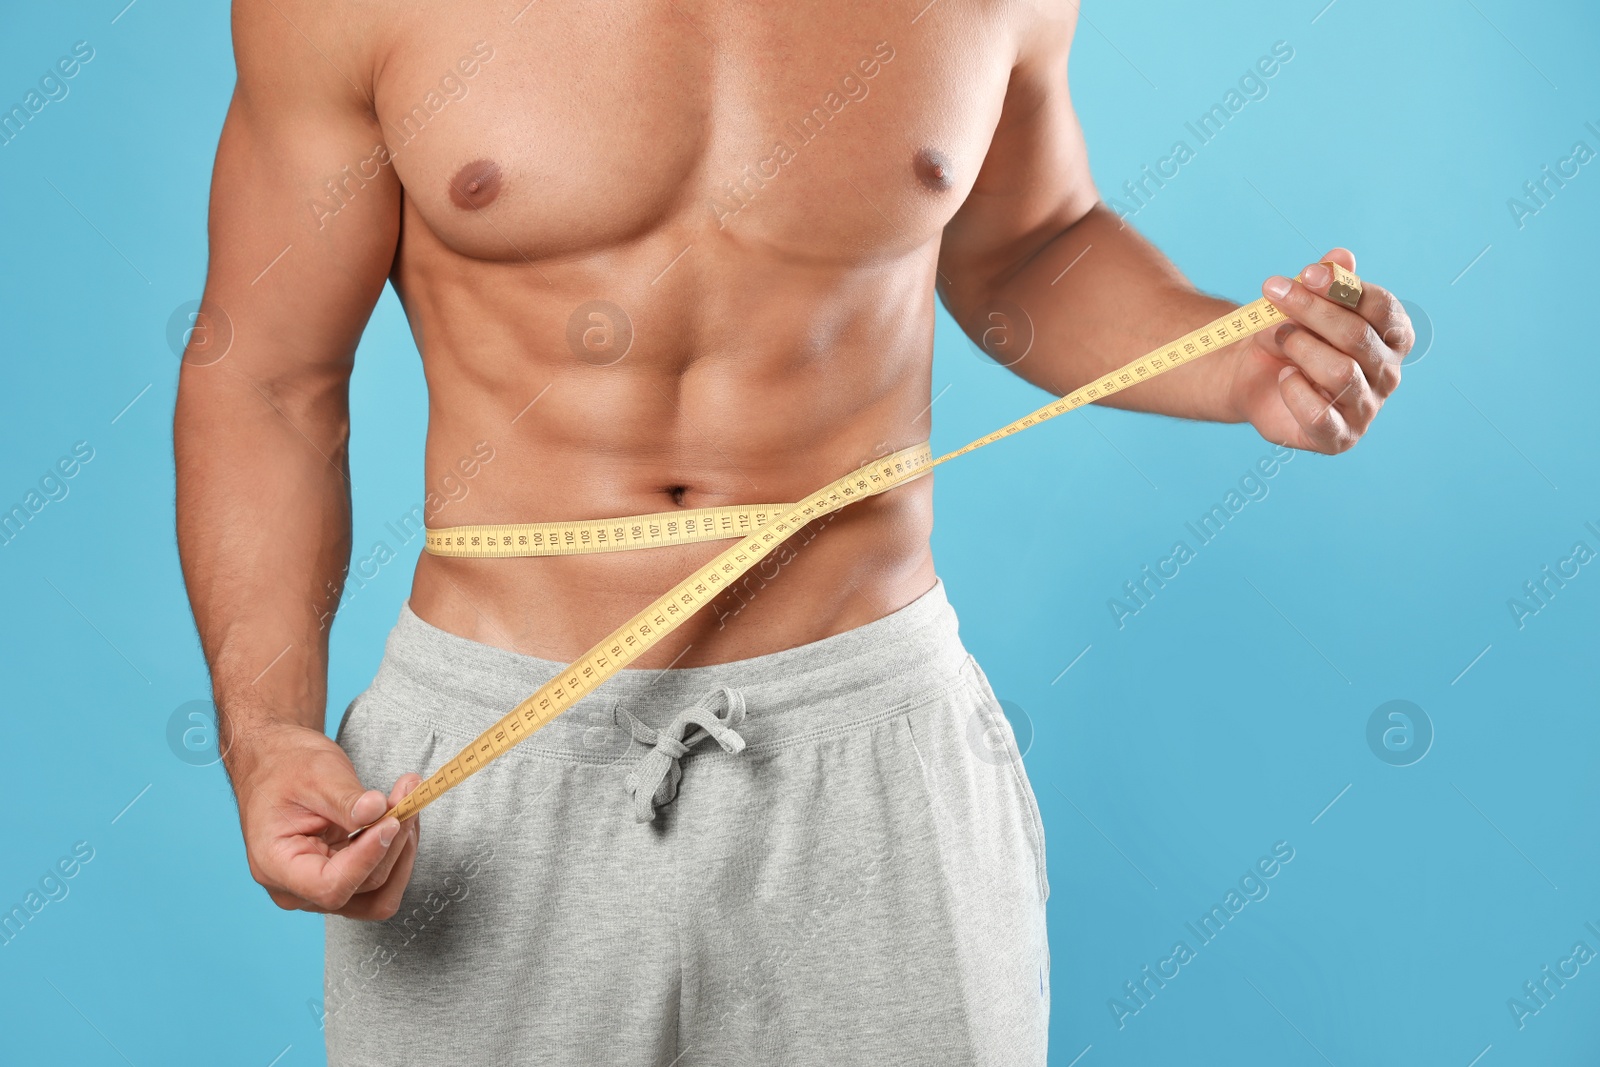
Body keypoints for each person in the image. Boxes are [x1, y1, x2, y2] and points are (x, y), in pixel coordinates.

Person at [173, 1, 1412, 1063]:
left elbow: (1029, 244)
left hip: (868, 740)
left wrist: (1232, 360)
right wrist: (267, 730)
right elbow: (268, 377)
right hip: (494, 765)